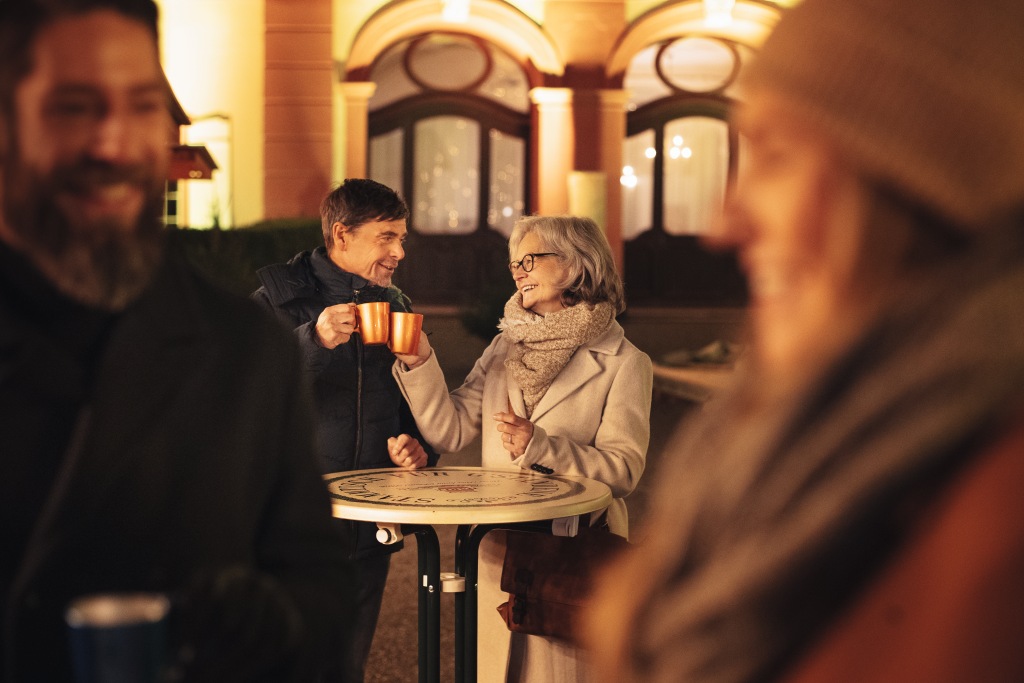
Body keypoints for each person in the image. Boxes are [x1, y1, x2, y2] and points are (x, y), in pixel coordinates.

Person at [581, 0, 1024, 681]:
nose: (723, 225)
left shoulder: (994, 530)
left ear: (912, 193)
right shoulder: (792, 438)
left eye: (778, 155)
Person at [0, 0, 355, 681]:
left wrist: (268, 625)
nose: (115, 143)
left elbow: (322, 600)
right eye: (75, 106)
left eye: (141, 105)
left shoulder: (246, 351)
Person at [392, 214, 653, 682]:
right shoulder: (502, 346)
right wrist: (419, 360)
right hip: (495, 550)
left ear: (575, 265)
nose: (518, 271)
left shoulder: (627, 362)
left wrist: (543, 446)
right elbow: (448, 432)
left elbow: (624, 471)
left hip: (570, 555)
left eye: (531, 259)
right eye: (514, 262)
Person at [252, 178, 438, 683]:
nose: (400, 251)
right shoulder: (274, 300)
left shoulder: (395, 306)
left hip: (366, 524)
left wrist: (416, 448)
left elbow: (412, 405)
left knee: (346, 667)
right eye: (387, 238)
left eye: (402, 238)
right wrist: (311, 340)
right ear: (342, 234)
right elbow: (238, 394)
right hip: (292, 529)